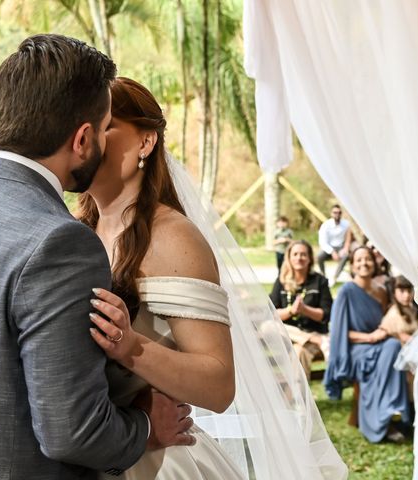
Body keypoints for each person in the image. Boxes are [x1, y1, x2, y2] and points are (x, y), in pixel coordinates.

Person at [0, 35, 192, 480]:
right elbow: (72, 433)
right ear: (82, 138)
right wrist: (150, 427)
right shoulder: (62, 243)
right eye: (104, 127)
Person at [81, 78, 348, 479]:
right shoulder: (74, 232)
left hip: (154, 463)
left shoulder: (172, 238)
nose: (91, 139)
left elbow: (218, 386)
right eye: (84, 126)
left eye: (107, 126)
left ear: (146, 142)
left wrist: (131, 346)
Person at [324, 246, 410, 443]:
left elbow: (387, 323)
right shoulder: (346, 292)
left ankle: (392, 410)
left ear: (375, 262)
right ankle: (383, 420)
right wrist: (369, 338)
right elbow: (339, 332)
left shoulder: (380, 292)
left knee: (393, 347)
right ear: (353, 266)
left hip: (381, 345)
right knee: (387, 353)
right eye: (359, 260)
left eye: (367, 259)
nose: (364, 263)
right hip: (354, 349)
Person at [270, 240, 332, 378]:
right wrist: (291, 311)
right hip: (290, 336)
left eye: (303, 254)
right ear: (289, 258)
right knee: (268, 325)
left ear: (310, 258)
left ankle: (297, 399)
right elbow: (272, 314)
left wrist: (305, 310)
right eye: (295, 254)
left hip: (313, 333)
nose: (299, 258)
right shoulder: (281, 280)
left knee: (299, 351)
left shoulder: (320, 281)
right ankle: (311, 339)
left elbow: (326, 315)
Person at [379, 275, 418, 344]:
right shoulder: (394, 313)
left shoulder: (413, 308)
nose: (406, 295)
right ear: (394, 292)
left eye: (409, 291)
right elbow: (403, 337)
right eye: (402, 291)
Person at [317, 204, 351, 286]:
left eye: (339, 213)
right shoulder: (325, 225)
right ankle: (323, 275)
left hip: (341, 247)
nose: (337, 215)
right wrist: (332, 252)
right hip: (329, 248)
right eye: (335, 212)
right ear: (331, 213)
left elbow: (348, 238)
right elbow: (323, 242)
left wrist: (345, 249)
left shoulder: (346, 224)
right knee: (319, 256)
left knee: (346, 256)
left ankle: (335, 277)